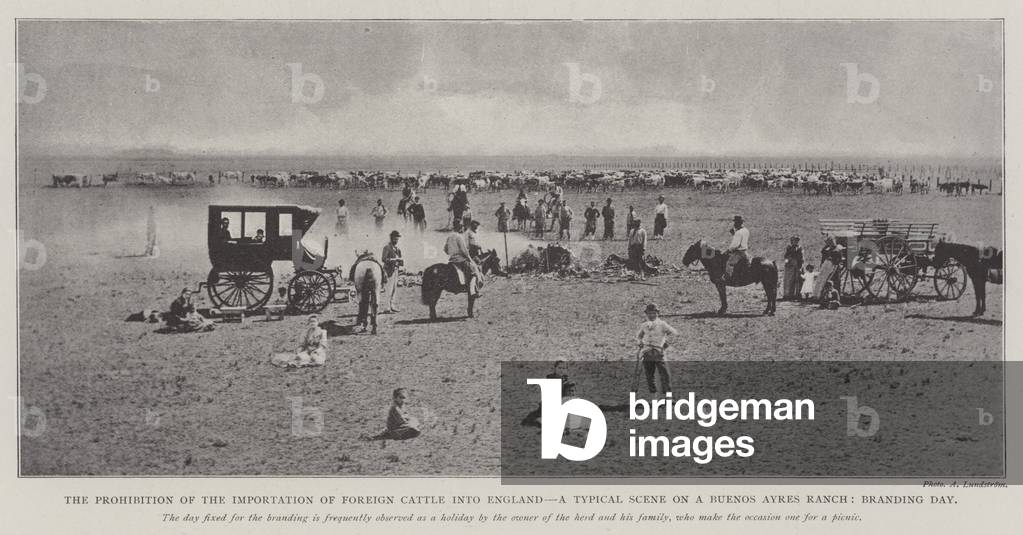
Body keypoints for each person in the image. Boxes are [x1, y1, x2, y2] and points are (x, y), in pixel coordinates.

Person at [636, 303, 678, 394]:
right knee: (649, 375)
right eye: (649, 313)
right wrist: (639, 342)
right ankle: (653, 395)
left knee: (665, 374)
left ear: (657, 313)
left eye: (653, 313)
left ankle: (668, 396)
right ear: (646, 314)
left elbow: (674, 333)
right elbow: (639, 336)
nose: (651, 315)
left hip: (659, 352)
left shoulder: (662, 324)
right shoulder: (644, 325)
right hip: (647, 352)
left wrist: (666, 343)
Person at [444, 219, 482, 295]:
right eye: (461, 227)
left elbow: (445, 249)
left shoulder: (449, 237)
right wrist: (470, 259)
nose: (462, 228)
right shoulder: (459, 237)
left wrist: (452, 252)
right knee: (473, 270)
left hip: (452, 260)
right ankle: (473, 291)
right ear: (459, 227)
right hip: (460, 260)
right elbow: (465, 251)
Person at [722, 215, 750, 283]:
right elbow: (741, 239)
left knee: (729, 263)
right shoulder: (746, 230)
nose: (734, 224)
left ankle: (728, 278)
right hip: (745, 252)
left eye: (735, 222)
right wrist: (734, 234)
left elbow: (735, 245)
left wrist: (728, 251)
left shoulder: (738, 232)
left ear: (737, 223)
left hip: (738, 253)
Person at [382, 230, 403, 313]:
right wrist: (395, 259)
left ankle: (392, 305)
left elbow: (400, 260)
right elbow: (384, 259)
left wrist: (400, 261)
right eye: (395, 239)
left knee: (394, 289)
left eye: (397, 239)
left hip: (396, 270)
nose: (396, 241)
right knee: (389, 289)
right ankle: (387, 308)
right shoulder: (387, 247)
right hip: (388, 271)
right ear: (391, 238)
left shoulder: (397, 249)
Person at [783, 236, 804, 300]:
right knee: (789, 280)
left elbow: (802, 257)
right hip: (790, 265)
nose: (796, 242)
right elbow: (786, 256)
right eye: (794, 240)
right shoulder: (789, 248)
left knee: (798, 280)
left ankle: (797, 294)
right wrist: (787, 261)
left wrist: (801, 264)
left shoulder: (800, 248)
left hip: (798, 264)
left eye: (797, 241)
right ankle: (788, 295)